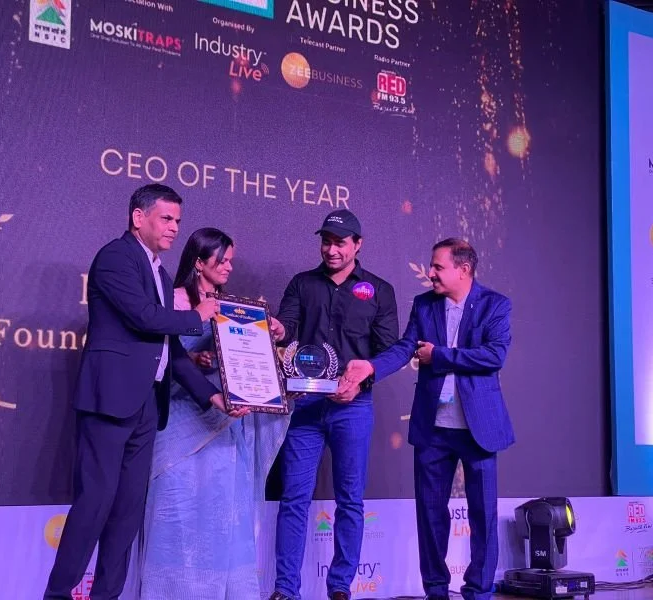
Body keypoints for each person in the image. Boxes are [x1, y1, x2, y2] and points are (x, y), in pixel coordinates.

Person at [44, 184, 239, 600]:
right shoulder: (115, 257)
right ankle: (58, 594)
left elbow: (171, 353)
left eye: (177, 222)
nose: (174, 229)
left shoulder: (161, 272)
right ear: (138, 217)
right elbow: (144, 317)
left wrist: (212, 396)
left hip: (147, 405)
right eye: (166, 219)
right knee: (95, 502)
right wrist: (198, 315)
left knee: (128, 511)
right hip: (109, 401)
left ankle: (107, 595)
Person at [337, 238, 514, 600]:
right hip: (433, 428)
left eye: (437, 267)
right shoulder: (423, 305)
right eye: (431, 266)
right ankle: (436, 591)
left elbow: (493, 355)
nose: (430, 273)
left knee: (483, 516)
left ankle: (478, 591)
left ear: (463, 270)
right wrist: (370, 366)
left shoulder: (495, 305)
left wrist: (441, 356)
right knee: (431, 516)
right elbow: (405, 348)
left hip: (478, 428)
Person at [136, 228, 290, 599]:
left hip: (224, 422)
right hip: (179, 419)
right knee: (178, 509)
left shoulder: (236, 307)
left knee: (223, 513)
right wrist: (192, 358)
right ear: (199, 262)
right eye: (222, 260)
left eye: (231, 260)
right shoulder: (170, 301)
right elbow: (163, 354)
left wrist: (273, 333)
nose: (229, 267)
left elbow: (245, 357)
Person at [268, 210, 399, 600]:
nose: (331, 249)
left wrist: (361, 382)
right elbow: (287, 326)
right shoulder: (302, 284)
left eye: (340, 242)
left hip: (353, 407)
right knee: (293, 499)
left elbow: (388, 350)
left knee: (350, 500)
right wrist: (275, 327)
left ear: (357, 245)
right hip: (306, 406)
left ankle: (340, 586)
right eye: (326, 241)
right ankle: (285, 590)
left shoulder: (380, 290)